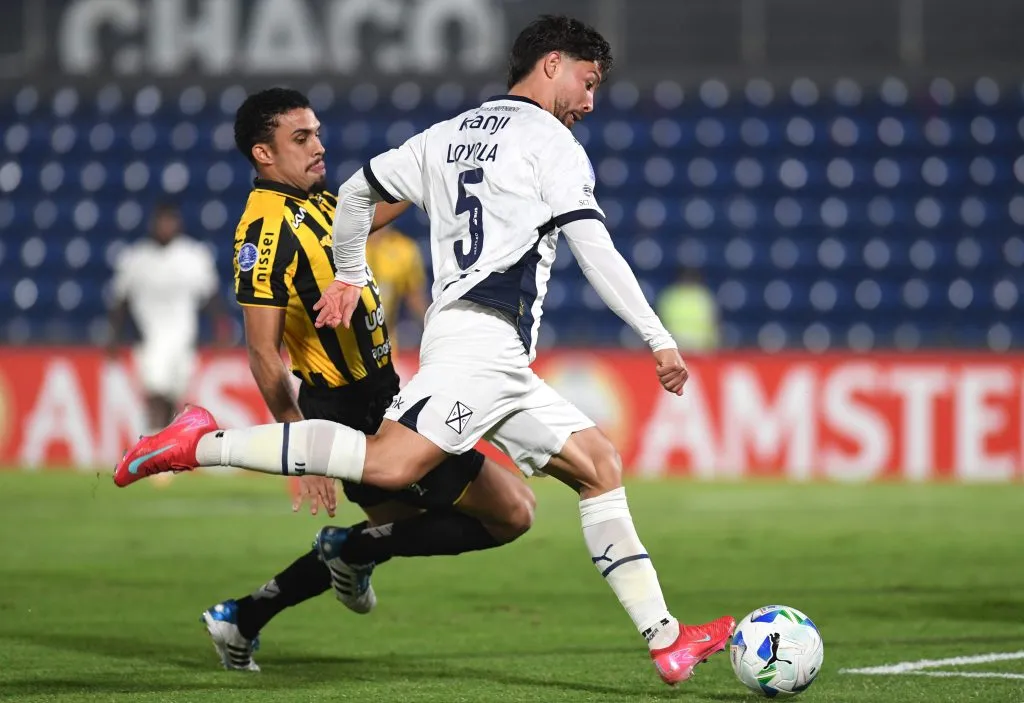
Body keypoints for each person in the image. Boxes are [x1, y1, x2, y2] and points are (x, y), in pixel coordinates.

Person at [114, 17, 733, 685]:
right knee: (401, 474)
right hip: (439, 361)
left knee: (592, 466)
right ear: (552, 65)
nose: (589, 102)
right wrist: (658, 337)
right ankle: (196, 446)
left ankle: (666, 639)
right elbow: (593, 246)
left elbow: (359, 192)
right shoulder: (270, 228)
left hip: (472, 354)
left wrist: (351, 268)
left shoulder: (449, 135)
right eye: (586, 83)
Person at [147, 88, 536, 671]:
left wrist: (444, 160)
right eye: (300, 138)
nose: (318, 147)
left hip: (383, 393)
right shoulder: (264, 232)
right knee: (513, 513)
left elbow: (381, 208)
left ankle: (241, 618)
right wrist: (298, 443)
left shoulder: (320, 203)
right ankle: (344, 551)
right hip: (352, 407)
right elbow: (261, 350)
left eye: (318, 133)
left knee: (398, 530)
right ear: (263, 153)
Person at [107, 202, 226, 435]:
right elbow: (121, 301)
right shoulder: (135, 259)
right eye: (161, 222)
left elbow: (211, 296)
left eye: (170, 221)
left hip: (183, 340)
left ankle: (165, 449)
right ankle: (152, 443)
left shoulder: (194, 256)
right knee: (155, 393)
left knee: (174, 397)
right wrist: (113, 336)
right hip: (150, 340)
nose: (165, 227)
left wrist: (221, 327)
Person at [365, 225, 429, 358]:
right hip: (344, 344)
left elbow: (415, 297)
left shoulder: (404, 249)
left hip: (385, 347)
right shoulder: (341, 244)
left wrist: (433, 330)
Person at [655, 265, 720, 352]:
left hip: (701, 348)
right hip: (675, 347)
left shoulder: (704, 296)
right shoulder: (670, 296)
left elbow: (714, 323)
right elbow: (660, 322)